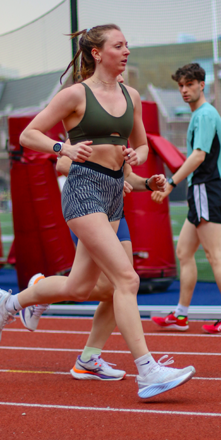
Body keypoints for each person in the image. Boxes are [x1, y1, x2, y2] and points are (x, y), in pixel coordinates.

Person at [0, 24, 195, 400]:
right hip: (84, 190)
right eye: (119, 45)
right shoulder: (75, 95)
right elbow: (27, 135)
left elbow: (143, 148)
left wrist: (142, 168)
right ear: (97, 53)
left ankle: (10, 302)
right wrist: (62, 149)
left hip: (116, 192)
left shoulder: (132, 95)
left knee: (81, 286)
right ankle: (147, 370)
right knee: (126, 281)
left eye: (128, 44)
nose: (127, 50)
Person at [35, 133, 166, 382]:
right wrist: (104, 177)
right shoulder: (85, 124)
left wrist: (149, 183)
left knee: (117, 288)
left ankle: (88, 357)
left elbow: (127, 176)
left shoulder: (120, 124)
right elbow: (63, 163)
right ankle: (41, 292)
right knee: (116, 284)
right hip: (88, 208)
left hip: (115, 211)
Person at [151, 63, 221, 335]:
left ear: (202, 85)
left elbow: (199, 156)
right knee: (184, 252)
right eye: (180, 85)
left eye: (189, 84)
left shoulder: (204, 115)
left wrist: (170, 183)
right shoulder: (199, 115)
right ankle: (180, 315)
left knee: (215, 255)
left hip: (206, 188)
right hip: (202, 190)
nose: (184, 90)